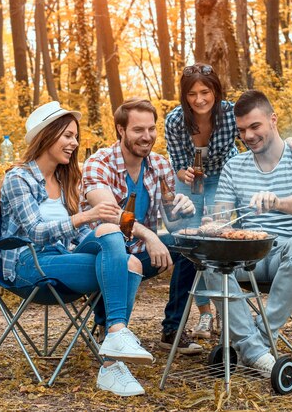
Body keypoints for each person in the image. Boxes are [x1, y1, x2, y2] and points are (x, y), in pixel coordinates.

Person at [0, 101, 153, 397]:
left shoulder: (65, 178)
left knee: (128, 257)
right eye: (68, 135)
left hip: (63, 258)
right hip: (29, 264)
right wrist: (86, 215)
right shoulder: (18, 178)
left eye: (75, 136)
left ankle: (114, 343)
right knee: (115, 248)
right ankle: (112, 358)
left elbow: (81, 232)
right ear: (46, 134)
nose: (75, 143)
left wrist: (95, 223)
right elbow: (34, 233)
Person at [164, 63, 292, 339]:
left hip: (225, 175)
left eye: (205, 91)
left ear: (215, 90)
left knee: (219, 241)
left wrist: (287, 140)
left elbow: (257, 140)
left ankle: (224, 315)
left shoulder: (230, 114)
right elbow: (178, 163)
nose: (199, 99)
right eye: (192, 94)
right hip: (189, 179)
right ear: (184, 96)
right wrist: (185, 172)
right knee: (191, 245)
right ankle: (189, 319)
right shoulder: (174, 121)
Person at [202, 89, 292, 376]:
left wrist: (277, 202)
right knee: (208, 261)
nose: (249, 135)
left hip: (289, 255)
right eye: (242, 130)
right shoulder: (235, 165)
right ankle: (256, 351)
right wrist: (211, 223)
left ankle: (256, 342)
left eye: (255, 126)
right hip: (248, 255)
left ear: (273, 120)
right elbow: (221, 217)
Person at [82, 98, 204, 356]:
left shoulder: (160, 165)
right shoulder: (98, 163)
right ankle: (109, 328)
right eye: (138, 130)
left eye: (151, 129)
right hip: (99, 251)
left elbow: (172, 222)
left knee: (189, 245)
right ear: (121, 130)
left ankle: (172, 330)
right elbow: (111, 214)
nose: (146, 136)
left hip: (138, 248)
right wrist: (150, 234)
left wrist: (184, 210)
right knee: (117, 249)